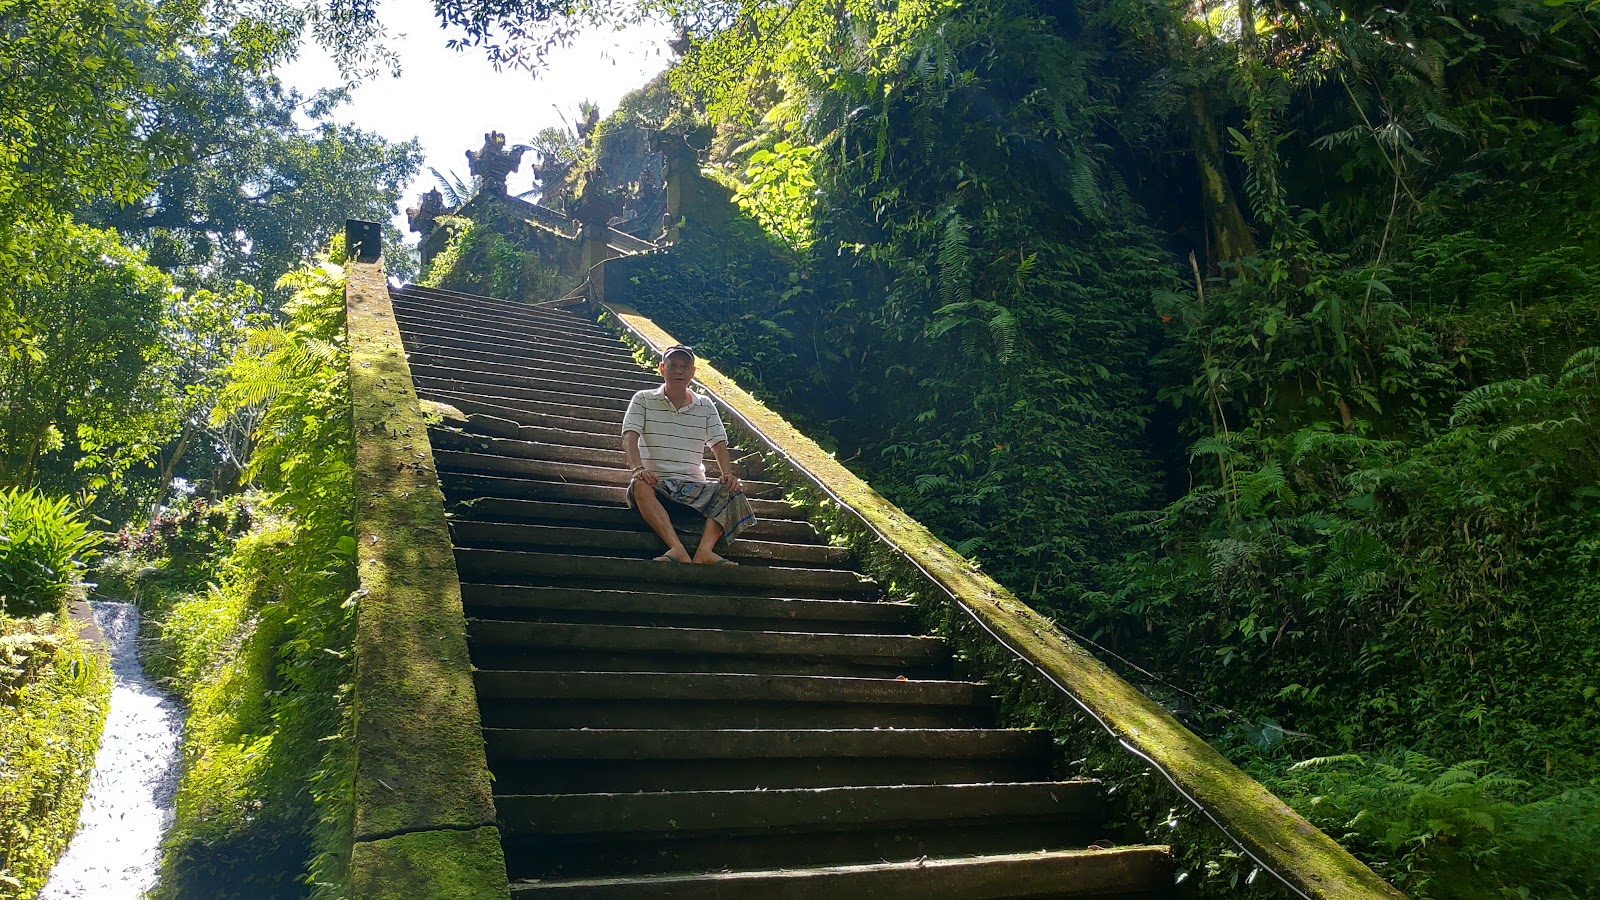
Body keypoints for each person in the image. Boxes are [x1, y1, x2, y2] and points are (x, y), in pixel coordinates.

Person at [621, 344, 756, 564]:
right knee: (639, 484)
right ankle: (676, 548)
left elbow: (718, 443)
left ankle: (704, 551)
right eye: (673, 365)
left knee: (732, 488)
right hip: (657, 485)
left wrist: (727, 474)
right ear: (662, 368)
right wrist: (637, 469)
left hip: (694, 488)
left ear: (693, 372)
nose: (679, 371)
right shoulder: (643, 399)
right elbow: (629, 437)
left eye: (685, 366)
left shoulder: (705, 405)